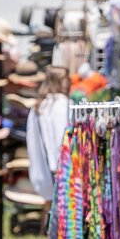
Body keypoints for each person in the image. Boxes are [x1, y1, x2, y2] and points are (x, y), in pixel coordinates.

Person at [26, 66, 70, 201]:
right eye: (66, 79)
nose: (69, 82)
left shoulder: (39, 105)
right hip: (61, 166)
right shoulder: (62, 103)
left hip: (43, 169)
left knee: (49, 208)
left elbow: (31, 140)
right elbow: (62, 136)